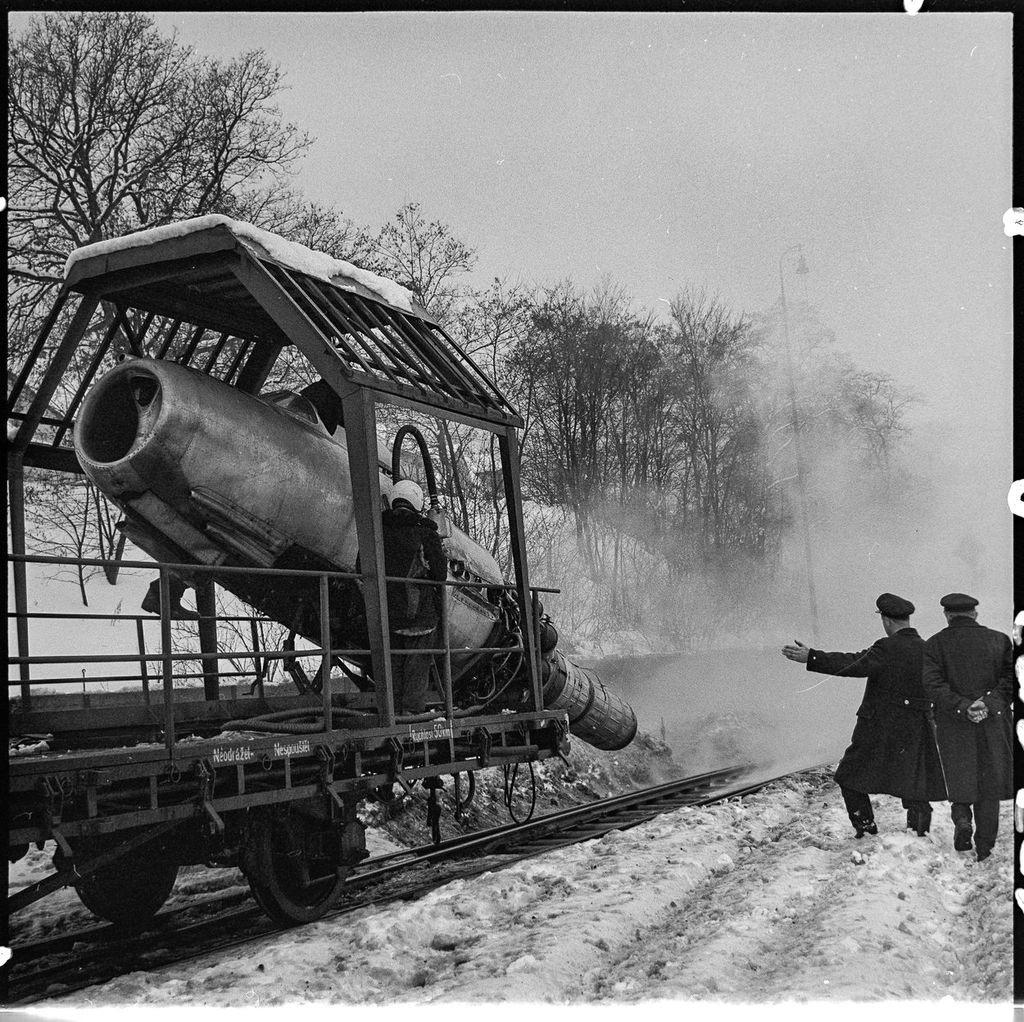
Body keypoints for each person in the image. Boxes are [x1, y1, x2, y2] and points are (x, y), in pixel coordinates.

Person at [781, 593, 946, 839]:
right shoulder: (928, 650)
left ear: (887, 621)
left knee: (848, 776)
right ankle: (919, 832)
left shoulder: (886, 647)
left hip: (879, 727)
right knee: (914, 780)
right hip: (916, 727)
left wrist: (812, 656)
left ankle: (866, 829)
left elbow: (852, 664)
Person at [921, 593, 1013, 862]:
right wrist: (987, 703)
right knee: (989, 784)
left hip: (953, 723)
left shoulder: (935, 644)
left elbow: (933, 685)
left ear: (947, 616)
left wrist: (963, 706)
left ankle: (962, 819)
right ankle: (985, 847)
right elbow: (1012, 678)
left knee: (959, 775)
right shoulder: (999, 640)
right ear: (974, 614)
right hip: (993, 723)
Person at [380, 479, 447, 715]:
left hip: (388, 614)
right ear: (417, 502)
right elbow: (440, 574)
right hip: (420, 616)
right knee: (417, 667)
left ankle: (393, 712)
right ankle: (411, 713)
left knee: (395, 664)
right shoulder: (425, 532)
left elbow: (362, 566)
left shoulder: (379, 530)